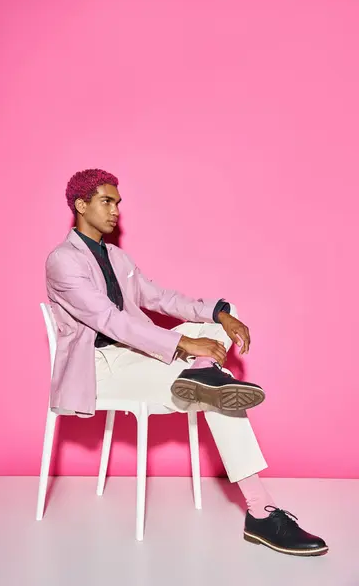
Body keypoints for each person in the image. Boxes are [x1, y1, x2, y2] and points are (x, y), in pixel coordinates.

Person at [45, 168, 328, 556]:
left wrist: (219, 312)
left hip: (137, 357)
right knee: (219, 387)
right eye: (106, 202)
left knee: (217, 344)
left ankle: (204, 376)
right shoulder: (62, 261)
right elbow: (111, 321)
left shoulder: (116, 257)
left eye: (118, 203)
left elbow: (162, 298)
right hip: (101, 368)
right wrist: (184, 343)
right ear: (81, 205)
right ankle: (261, 511)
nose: (115, 211)